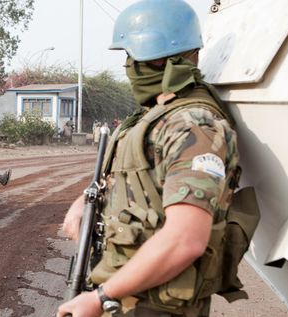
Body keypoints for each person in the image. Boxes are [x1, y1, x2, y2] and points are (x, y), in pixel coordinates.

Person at [57, 0, 240, 316]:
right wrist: (84, 200)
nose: (127, 66)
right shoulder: (157, 116)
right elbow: (130, 182)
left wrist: (99, 297)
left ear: (155, 60)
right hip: (126, 295)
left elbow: (186, 239)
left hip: (153, 305)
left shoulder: (194, 125)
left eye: (131, 56)